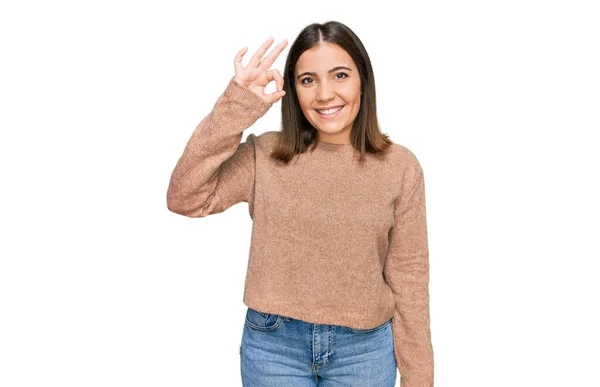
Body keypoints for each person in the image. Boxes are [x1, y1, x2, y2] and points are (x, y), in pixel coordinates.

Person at [167, 20, 434, 387]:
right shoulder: (266, 154)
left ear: (363, 81)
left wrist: (419, 377)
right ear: (293, 89)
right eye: (308, 80)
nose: (324, 94)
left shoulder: (400, 167)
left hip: (364, 354)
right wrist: (238, 106)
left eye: (340, 75)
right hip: (273, 348)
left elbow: (410, 279)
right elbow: (185, 197)